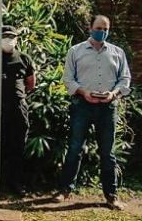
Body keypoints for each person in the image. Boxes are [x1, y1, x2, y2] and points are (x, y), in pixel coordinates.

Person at [54, 15, 131, 210]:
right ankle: (64, 190)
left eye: (105, 28)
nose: (102, 31)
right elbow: (68, 79)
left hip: (107, 107)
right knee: (74, 148)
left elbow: (125, 79)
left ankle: (111, 195)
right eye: (98, 27)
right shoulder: (76, 51)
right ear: (90, 28)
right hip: (82, 105)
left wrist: (113, 94)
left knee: (108, 153)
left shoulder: (117, 52)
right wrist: (83, 92)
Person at [0, 25, 36, 194]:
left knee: (17, 146)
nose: (8, 39)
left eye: (12, 36)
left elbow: (31, 83)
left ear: (17, 39)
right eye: (5, 36)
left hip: (17, 108)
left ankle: (15, 183)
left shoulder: (24, 58)